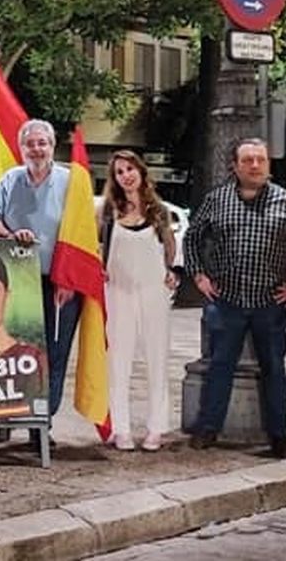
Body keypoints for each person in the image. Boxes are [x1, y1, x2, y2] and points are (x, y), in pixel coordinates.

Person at [183, 137, 286, 458]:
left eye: (260, 159)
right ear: (235, 166)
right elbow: (192, 237)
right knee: (219, 366)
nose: (255, 166)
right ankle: (208, 429)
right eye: (247, 160)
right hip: (226, 301)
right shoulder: (217, 200)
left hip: (270, 304)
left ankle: (279, 437)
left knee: (274, 369)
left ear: (269, 164)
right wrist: (199, 275)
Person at [0, 119, 75, 451]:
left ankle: (41, 424)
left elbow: (82, 231)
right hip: (15, 282)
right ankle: (2, 419)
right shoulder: (10, 179)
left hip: (58, 281)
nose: (37, 149)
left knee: (54, 354)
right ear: (22, 148)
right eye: (30, 144)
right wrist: (9, 234)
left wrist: (71, 278)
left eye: (42, 143)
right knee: (9, 352)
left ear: (53, 146)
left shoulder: (71, 181)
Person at [99, 150, 177, 453]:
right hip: (118, 291)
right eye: (119, 172)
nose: (126, 176)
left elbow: (170, 248)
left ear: (141, 172)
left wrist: (172, 273)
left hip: (153, 290)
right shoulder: (108, 212)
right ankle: (120, 428)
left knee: (157, 358)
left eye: (130, 169)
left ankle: (157, 427)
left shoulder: (159, 211)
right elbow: (96, 246)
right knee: (118, 361)